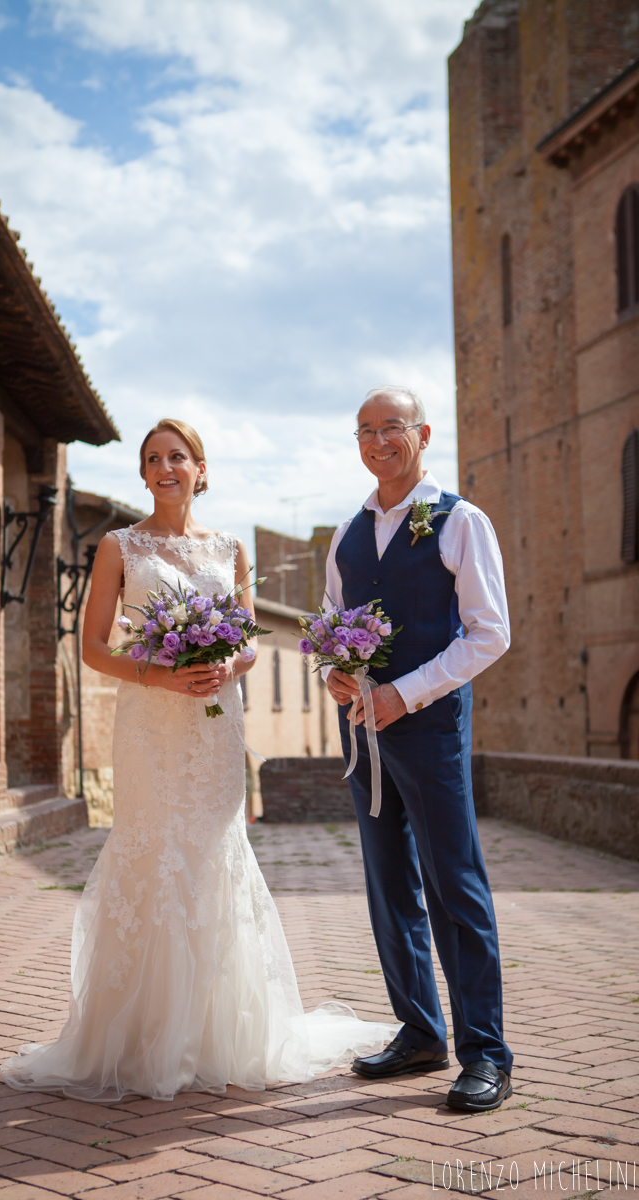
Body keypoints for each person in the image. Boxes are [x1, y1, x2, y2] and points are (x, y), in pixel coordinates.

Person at [0, 417, 397, 1102]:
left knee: (216, 853)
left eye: (177, 457)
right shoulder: (117, 547)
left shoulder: (231, 548)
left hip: (216, 726)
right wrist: (161, 675)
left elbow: (246, 638)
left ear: (201, 470)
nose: (164, 467)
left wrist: (226, 664)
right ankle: (140, 1036)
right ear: (145, 473)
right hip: (151, 723)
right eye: (152, 458)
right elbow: (93, 646)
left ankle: (220, 1033)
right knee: (152, 850)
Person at [324, 386, 513, 1113]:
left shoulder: (462, 521)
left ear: (423, 434)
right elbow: (334, 628)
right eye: (365, 431)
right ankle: (420, 1031)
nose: (378, 442)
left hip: (430, 731)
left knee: (453, 887)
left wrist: (409, 692)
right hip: (362, 734)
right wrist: (334, 673)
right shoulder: (348, 534)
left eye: (391, 427)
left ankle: (486, 1053)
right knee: (388, 884)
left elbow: (489, 632)